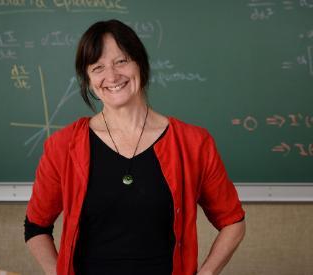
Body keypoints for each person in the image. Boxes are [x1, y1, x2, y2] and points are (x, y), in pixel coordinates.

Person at [24, 19, 246, 275]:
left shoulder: (194, 143)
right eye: (98, 67)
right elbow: (36, 227)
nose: (112, 76)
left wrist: (206, 273)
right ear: (88, 79)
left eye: (121, 61)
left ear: (140, 63)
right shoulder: (63, 146)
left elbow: (233, 222)